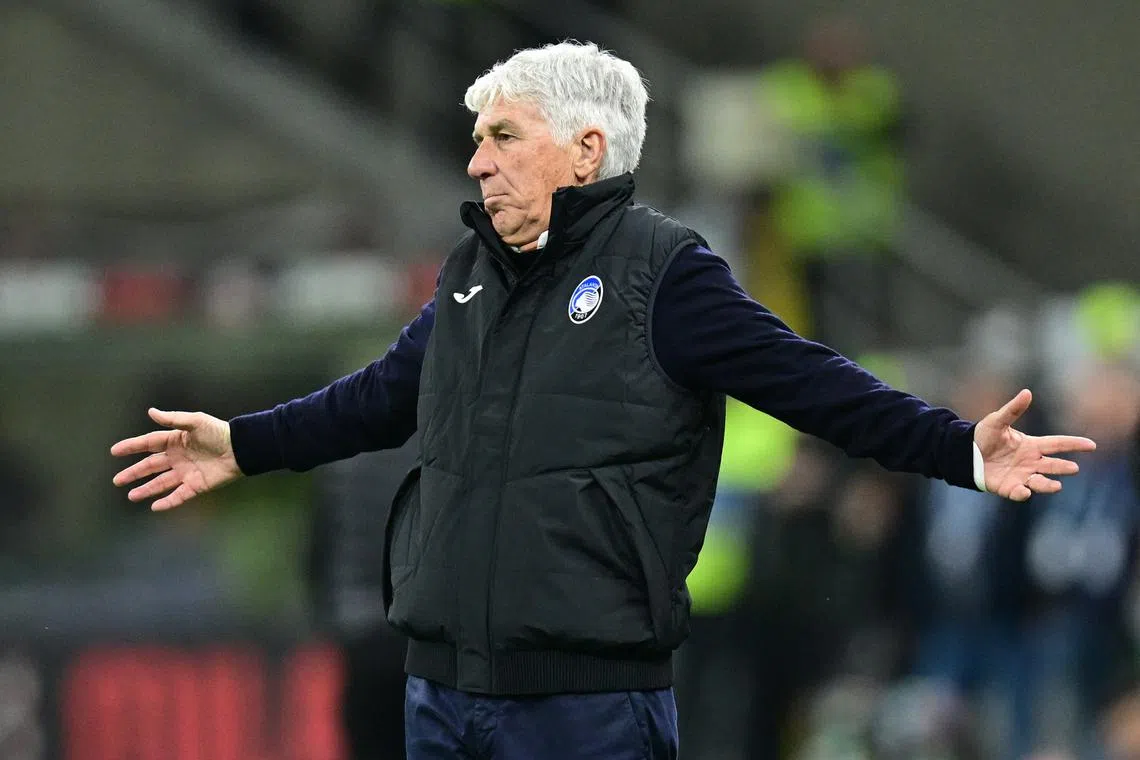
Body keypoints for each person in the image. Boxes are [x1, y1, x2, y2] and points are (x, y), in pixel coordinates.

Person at [111, 42, 1096, 760]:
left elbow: (814, 387)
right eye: (476, 138)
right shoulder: (469, 276)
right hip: (443, 693)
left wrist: (961, 449)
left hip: (583, 707)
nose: (478, 160)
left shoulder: (665, 274)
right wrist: (244, 442)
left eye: (503, 136)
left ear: (585, 152)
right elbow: (378, 399)